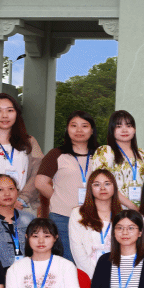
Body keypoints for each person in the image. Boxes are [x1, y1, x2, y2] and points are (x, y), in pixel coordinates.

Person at [32, 110, 100, 262]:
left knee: (91, 260)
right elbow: (40, 182)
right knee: (65, 262)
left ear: (92, 130)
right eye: (73, 125)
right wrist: (58, 197)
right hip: (63, 217)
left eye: (84, 126)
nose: (79, 130)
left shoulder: (99, 155)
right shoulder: (56, 154)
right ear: (67, 129)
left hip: (94, 217)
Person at [92, 110, 144, 208]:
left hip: (140, 209)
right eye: (119, 126)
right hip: (114, 209)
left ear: (134, 129)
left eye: (128, 126)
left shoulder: (141, 153)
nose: (124, 130)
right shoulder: (105, 152)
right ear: (112, 130)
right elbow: (103, 185)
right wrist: (132, 206)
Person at [69, 168, 117, 279]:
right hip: (89, 276)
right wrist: (95, 277)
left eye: (107, 184)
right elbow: (77, 250)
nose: (102, 188)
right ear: (90, 188)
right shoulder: (78, 214)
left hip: (117, 277)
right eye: (97, 184)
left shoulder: (122, 215)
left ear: (114, 187)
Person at [0, 174, 34, 267]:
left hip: (27, 270)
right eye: (0, 190)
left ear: (17, 192)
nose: (7, 194)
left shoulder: (29, 219)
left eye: (11, 189)